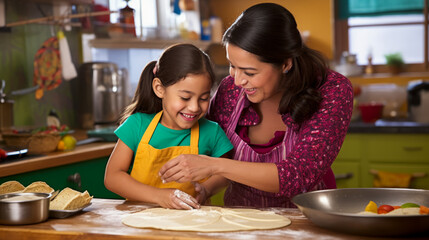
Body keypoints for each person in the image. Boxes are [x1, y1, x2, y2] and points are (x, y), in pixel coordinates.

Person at [159, 3, 353, 208]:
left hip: (307, 219)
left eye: (249, 73)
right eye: (232, 66)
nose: (237, 81)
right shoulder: (230, 90)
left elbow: (298, 175)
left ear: (286, 64)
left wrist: (214, 166)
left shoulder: (332, 90)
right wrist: (206, 188)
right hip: (241, 222)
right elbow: (219, 155)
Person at [104, 43, 233, 210]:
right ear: (159, 89)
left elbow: (225, 174)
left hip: (191, 225)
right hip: (140, 221)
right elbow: (112, 177)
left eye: (203, 98)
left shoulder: (211, 131)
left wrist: (206, 189)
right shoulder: (137, 125)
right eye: (185, 98)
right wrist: (160, 196)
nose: (194, 107)